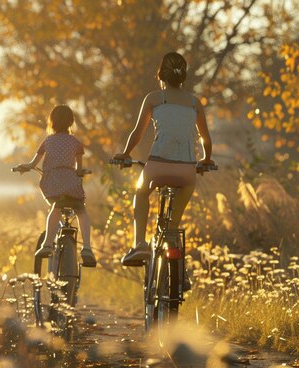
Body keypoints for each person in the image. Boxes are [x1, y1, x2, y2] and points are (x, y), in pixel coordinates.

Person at [113, 52, 214, 265]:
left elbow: (137, 133)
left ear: (161, 76)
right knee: (172, 227)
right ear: (183, 78)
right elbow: (205, 138)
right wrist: (205, 159)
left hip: (157, 167)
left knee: (141, 193)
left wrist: (125, 154)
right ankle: (178, 267)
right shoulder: (195, 103)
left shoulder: (154, 98)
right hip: (186, 173)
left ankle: (139, 243)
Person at [15, 104, 96, 266]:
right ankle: (87, 247)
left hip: (51, 183)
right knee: (81, 210)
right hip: (71, 183)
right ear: (71, 122)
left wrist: (23, 167)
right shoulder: (76, 143)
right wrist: (81, 171)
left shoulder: (48, 141)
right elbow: (78, 169)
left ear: (51, 122)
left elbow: (32, 164)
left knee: (56, 207)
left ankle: (47, 244)